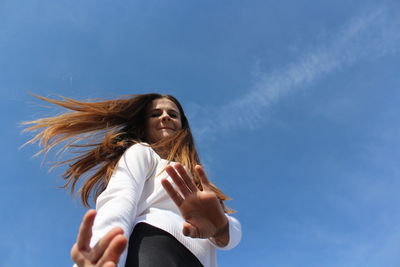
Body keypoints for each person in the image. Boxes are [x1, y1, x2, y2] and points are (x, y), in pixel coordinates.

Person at [24, 93, 241, 267]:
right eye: (156, 113)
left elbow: (232, 235)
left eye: (173, 114)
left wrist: (220, 227)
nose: (165, 116)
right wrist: (103, 252)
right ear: (143, 126)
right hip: (156, 248)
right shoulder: (142, 152)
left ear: (182, 127)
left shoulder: (200, 183)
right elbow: (120, 201)